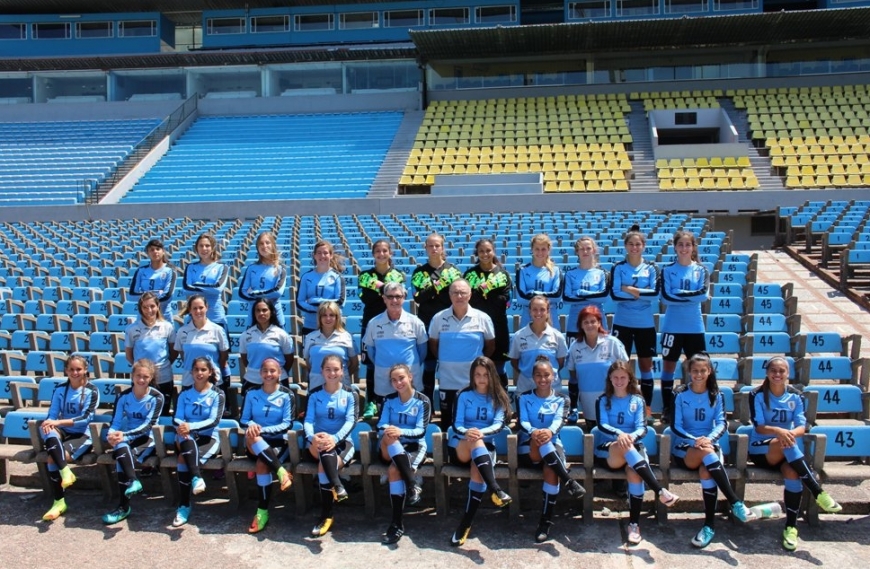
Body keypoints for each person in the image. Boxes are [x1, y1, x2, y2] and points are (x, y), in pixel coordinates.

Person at [748, 356, 842, 551]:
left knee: (792, 473)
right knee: (786, 442)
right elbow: (759, 426)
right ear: (767, 373)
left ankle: (791, 527)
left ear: (788, 373)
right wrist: (780, 431)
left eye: (781, 371)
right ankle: (817, 492)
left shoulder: (796, 395)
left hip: (787, 449)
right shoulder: (756, 394)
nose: (777, 374)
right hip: (761, 449)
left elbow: (802, 426)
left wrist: (788, 433)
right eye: (773, 370)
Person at [671, 353, 756, 549]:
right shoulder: (680, 394)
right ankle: (735, 501)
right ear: (689, 372)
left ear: (709, 371)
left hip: (709, 444)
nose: (699, 374)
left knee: (706, 470)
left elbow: (721, 423)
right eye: (695, 371)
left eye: (703, 370)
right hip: (686, 447)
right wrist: (695, 441)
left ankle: (709, 525)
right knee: (707, 454)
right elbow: (676, 426)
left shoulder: (716, 395)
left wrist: (707, 439)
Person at [594, 361, 679, 545]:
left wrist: (629, 436)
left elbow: (642, 428)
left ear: (630, 378)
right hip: (610, 449)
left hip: (632, 445)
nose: (619, 380)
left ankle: (634, 524)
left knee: (635, 473)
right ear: (609, 378)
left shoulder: (638, 400)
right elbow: (602, 425)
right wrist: (620, 435)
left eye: (623, 377)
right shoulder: (602, 400)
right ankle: (659, 490)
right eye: (615, 377)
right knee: (625, 447)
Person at [516, 357, 586, 543]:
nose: (542, 379)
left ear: (553, 376)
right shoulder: (523, 397)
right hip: (529, 448)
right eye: (538, 375)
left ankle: (545, 522)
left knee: (550, 469)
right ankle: (569, 481)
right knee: (539, 443)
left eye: (546, 375)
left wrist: (548, 431)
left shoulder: (562, 399)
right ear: (533, 377)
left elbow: (559, 422)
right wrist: (534, 431)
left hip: (552, 447)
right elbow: (523, 422)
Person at [449, 356, 512, 547]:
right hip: (461, 445)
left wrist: (479, 433)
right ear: (472, 376)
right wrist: (469, 432)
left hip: (483, 447)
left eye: (485, 374)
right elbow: (456, 424)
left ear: (492, 375)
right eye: (478, 375)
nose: (482, 379)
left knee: (478, 470)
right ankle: (496, 489)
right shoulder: (463, 395)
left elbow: (498, 425)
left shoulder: (499, 397)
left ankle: (465, 524)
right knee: (475, 442)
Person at [102, 359, 165, 525]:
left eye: (146, 376)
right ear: (132, 376)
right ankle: (133, 481)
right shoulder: (123, 396)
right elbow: (115, 422)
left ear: (151, 378)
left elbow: (148, 425)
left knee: (121, 454)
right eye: (138, 376)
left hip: (148, 439)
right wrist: (111, 435)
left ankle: (123, 507)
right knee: (121, 448)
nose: (141, 380)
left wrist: (124, 436)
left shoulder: (157, 397)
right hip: (127, 438)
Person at [428, 279, 495, 431]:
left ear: (469, 295)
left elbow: (490, 346)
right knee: (448, 424)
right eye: (455, 293)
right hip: (448, 381)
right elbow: (433, 344)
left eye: (463, 293)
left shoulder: (483, 318)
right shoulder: (438, 318)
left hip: (473, 382)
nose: (459, 296)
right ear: (449, 295)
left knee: (472, 422)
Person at [304, 354, 359, 538]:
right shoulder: (314, 394)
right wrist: (313, 437)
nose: (332, 373)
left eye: (336, 369)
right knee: (323, 448)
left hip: (342, 443)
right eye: (328, 369)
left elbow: (351, 421)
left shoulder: (350, 394)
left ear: (342, 371)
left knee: (323, 463)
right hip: (317, 441)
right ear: (322, 371)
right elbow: (308, 420)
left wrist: (334, 438)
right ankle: (338, 486)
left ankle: (326, 515)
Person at [377, 364, 432, 545]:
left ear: (410, 377)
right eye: (394, 380)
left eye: (401, 378)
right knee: (387, 434)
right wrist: (393, 431)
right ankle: (412, 483)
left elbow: (420, 432)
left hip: (414, 446)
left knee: (394, 472)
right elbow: (381, 425)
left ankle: (396, 523)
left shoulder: (422, 401)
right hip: (390, 446)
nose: (398, 382)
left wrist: (400, 432)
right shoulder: (388, 400)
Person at [40, 354, 98, 521]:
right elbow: (52, 414)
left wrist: (57, 421)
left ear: (85, 370)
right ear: (66, 370)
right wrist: (51, 423)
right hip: (63, 430)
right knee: (47, 429)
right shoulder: (60, 389)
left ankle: (59, 501)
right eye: (71, 369)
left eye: (78, 369)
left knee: (53, 458)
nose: (75, 372)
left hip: (82, 434)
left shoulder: (91, 391)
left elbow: (86, 418)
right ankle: (66, 473)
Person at [610, 226, 660, 421]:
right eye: (631, 244)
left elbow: (654, 295)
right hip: (622, 322)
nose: (634, 247)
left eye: (638, 244)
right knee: (620, 365)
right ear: (625, 246)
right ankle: (619, 402)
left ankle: (646, 407)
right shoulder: (618, 268)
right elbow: (614, 294)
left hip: (645, 324)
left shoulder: (651, 268)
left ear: (643, 246)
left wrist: (628, 289)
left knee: (646, 366)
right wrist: (640, 292)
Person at [659, 230, 709, 421]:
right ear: (675, 247)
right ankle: (667, 408)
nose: (684, 248)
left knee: (698, 368)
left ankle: (697, 405)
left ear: (693, 247)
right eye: (680, 245)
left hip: (695, 327)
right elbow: (666, 297)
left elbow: (703, 295)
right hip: (672, 326)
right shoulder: (667, 270)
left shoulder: (701, 270)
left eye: (688, 245)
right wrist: (689, 295)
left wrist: (678, 293)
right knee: (668, 368)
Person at [171, 357, 226, 527]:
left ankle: (184, 505)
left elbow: (214, 420)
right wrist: (183, 426)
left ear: (210, 372)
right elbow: (177, 417)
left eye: (203, 370)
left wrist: (191, 426)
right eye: (196, 370)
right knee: (185, 440)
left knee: (182, 459)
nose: (199, 373)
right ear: (191, 372)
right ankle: (196, 478)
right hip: (186, 435)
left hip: (208, 437)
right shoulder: (184, 394)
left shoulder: (218, 394)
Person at [241, 358, 294, 533]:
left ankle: (262, 512)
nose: (269, 374)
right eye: (265, 371)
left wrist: (261, 430)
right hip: (253, 443)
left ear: (279, 373)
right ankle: (281, 471)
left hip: (277, 444)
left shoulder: (287, 395)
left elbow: (287, 424)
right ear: (260, 373)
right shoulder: (251, 393)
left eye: (273, 371)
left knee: (262, 464)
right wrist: (252, 426)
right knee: (252, 437)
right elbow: (243, 420)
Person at [411, 233, 463, 405]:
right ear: (426, 248)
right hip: (426, 321)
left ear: (442, 248)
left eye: (437, 246)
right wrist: (439, 286)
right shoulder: (419, 272)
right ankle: (428, 405)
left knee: (450, 365)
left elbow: (455, 296)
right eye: (430, 246)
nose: (434, 249)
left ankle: (452, 403)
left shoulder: (453, 271)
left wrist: (432, 293)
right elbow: (419, 297)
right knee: (429, 366)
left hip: (450, 323)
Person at [361, 282, 427, 414]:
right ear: (384, 299)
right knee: (385, 422)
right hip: (383, 383)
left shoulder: (416, 322)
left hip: (411, 381)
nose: (394, 300)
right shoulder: (374, 323)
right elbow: (372, 352)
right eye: (390, 297)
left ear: (404, 298)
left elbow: (422, 352)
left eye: (398, 296)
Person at [358, 239, 406, 419]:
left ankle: (396, 398)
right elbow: (367, 299)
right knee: (371, 364)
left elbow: (394, 295)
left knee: (394, 362)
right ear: (373, 254)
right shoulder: (364, 275)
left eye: (385, 251)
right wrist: (385, 289)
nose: (381, 254)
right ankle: (372, 401)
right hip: (371, 323)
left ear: (390, 253)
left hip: (393, 325)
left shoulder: (398, 275)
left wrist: (378, 288)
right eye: (377, 251)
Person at [565, 305, 628, 428]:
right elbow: (573, 375)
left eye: (593, 321)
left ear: (599, 323)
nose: (590, 325)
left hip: (612, 400)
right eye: (586, 322)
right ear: (581, 325)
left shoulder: (612, 343)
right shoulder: (575, 347)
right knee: (593, 437)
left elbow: (626, 370)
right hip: (588, 403)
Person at [464, 238, 513, 387]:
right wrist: (487, 292)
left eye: (488, 250)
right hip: (475, 326)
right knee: (477, 367)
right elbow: (469, 300)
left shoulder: (502, 274)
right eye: (481, 251)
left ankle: (503, 403)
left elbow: (504, 301)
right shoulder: (469, 275)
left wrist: (481, 294)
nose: (485, 254)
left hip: (498, 325)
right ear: (477, 254)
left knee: (498, 367)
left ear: (493, 251)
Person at [125, 291, 178, 416]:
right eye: (145, 307)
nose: (149, 310)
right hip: (141, 379)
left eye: (152, 306)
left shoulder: (167, 327)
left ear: (158, 306)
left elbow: (173, 352)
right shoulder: (132, 329)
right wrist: (141, 370)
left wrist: (162, 366)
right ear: (140, 309)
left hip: (163, 377)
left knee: (163, 413)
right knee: (141, 413)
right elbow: (129, 355)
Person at [174, 294, 231, 405]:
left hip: (213, 380)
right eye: (194, 308)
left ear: (207, 307)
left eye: (201, 307)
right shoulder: (182, 331)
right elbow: (183, 355)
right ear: (189, 310)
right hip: (189, 380)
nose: (198, 311)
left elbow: (223, 356)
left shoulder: (217, 330)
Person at [509, 295, 568, 397]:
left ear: (548, 311)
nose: (538, 313)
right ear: (530, 311)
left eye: (542, 309)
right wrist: (529, 375)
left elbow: (560, 363)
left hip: (552, 392)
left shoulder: (557, 336)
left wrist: (545, 377)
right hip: (525, 390)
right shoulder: (518, 336)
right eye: (535, 310)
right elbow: (514, 362)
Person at [238, 298, 295, 396]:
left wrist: (274, 372)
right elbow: (245, 359)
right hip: (252, 380)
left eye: (264, 310)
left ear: (271, 312)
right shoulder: (246, 335)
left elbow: (289, 359)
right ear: (254, 313)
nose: (261, 313)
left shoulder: (281, 334)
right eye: (258, 310)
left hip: (277, 380)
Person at [301, 301, 358, 391]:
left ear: (337, 317)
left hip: (341, 387)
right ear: (319, 317)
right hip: (316, 386)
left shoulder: (347, 336)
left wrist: (338, 376)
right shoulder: (310, 337)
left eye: (331, 315)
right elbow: (308, 363)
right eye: (324, 315)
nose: (328, 318)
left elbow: (354, 363)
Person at [562, 236, 610, 340]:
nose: (585, 251)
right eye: (581, 249)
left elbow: (603, 297)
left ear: (594, 250)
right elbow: (566, 299)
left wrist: (580, 292)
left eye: (588, 248)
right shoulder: (570, 274)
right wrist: (594, 295)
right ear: (577, 252)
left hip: (597, 321)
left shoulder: (603, 273)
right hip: (575, 322)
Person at [296, 240, 346, 337]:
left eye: (325, 253)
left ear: (331, 255)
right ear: (314, 255)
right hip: (310, 325)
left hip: (332, 326)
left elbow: (340, 302)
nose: (322, 256)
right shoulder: (306, 277)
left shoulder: (337, 277)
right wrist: (318, 308)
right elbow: (299, 302)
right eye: (319, 253)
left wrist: (315, 301)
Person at [238, 232, 287, 328]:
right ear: (257, 247)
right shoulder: (251, 268)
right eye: (261, 243)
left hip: (275, 316)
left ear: (273, 245)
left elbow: (278, 292)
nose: (264, 246)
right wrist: (261, 296)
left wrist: (255, 294)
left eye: (267, 243)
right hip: (254, 317)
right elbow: (241, 294)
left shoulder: (280, 269)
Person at [182, 232, 229, 332]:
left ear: (212, 248)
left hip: (216, 317)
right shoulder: (190, 267)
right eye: (201, 246)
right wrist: (208, 288)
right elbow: (186, 289)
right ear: (197, 248)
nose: (204, 249)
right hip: (195, 317)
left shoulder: (222, 267)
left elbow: (217, 289)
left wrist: (196, 285)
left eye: (207, 246)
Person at [515, 234, 563, 329]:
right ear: (532, 249)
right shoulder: (522, 270)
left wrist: (533, 293)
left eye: (543, 249)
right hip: (528, 319)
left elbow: (557, 296)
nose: (540, 252)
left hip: (550, 319)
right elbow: (521, 298)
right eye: (537, 249)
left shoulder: (556, 270)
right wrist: (547, 296)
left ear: (548, 250)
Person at [129, 238, 177, 322]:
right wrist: (157, 293)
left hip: (163, 316)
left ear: (163, 251)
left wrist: (146, 296)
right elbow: (132, 295)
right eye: (152, 250)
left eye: (158, 249)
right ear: (147, 253)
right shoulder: (141, 271)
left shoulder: (170, 271)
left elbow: (168, 297)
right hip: (144, 316)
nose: (155, 252)